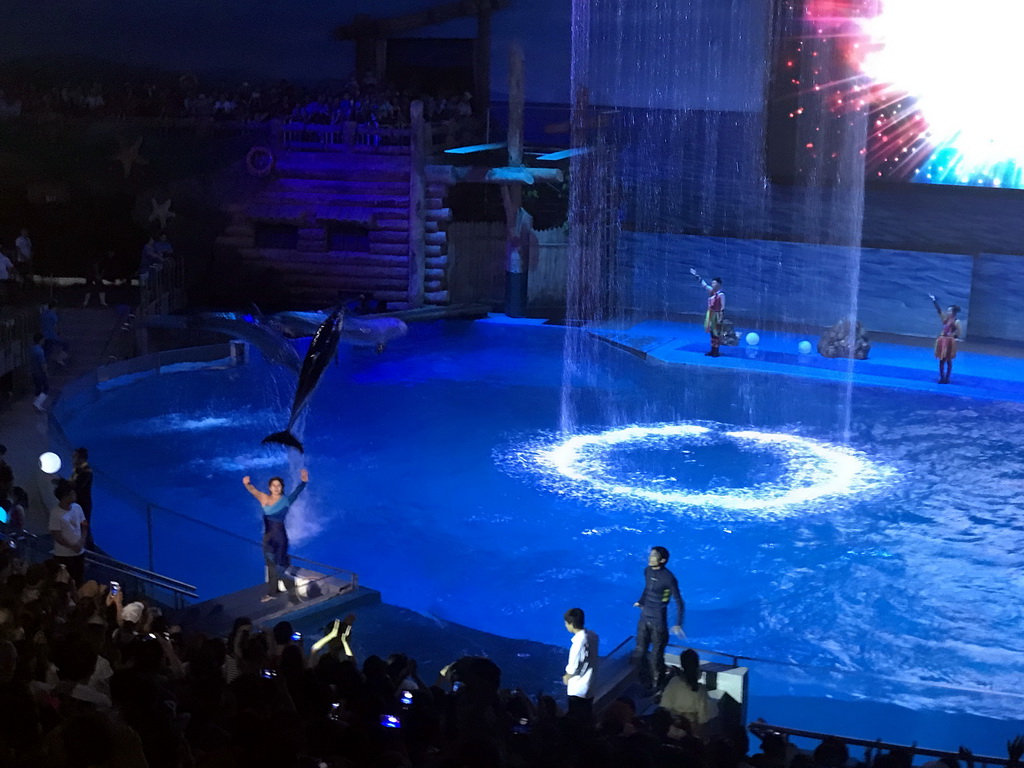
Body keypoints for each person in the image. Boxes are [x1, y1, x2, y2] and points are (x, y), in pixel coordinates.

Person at [242, 469, 308, 603]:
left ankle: (294, 595)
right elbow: (252, 490)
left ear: (282, 487)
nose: (276, 488)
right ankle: (272, 592)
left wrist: (303, 481)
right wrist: (247, 484)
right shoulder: (264, 498)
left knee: (280, 568)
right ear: (269, 487)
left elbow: (297, 492)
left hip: (281, 540)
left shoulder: (286, 500)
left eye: (279, 485)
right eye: (274, 485)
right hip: (267, 539)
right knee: (271, 567)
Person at [633, 546, 685, 691]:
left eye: (654, 556)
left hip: (658, 621)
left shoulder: (669, 578)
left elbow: (679, 601)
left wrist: (678, 624)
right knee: (640, 652)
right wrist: (641, 601)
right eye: (650, 555)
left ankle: (658, 685)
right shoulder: (647, 571)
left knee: (656, 656)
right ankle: (646, 683)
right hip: (644, 618)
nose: (650, 558)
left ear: (662, 560)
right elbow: (647, 588)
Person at [659, 648, 716, 739]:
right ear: (697, 666)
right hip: (691, 733)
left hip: (673, 730)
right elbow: (704, 719)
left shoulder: (674, 682)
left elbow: (664, 706)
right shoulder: (700, 690)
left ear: (682, 665)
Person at [562, 607, 599, 723]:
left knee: (576, 719)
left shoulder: (578, 644)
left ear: (571, 624)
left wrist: (566, 677)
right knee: (587, 715)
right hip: (590, 684)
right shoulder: (593, 636)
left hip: (578, 690)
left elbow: (572, 668)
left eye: (566, 623)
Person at [49, 478, 87, 585]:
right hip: (63, 555)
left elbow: (84, 524)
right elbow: (57, 535)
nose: (74, 494)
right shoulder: (55, 513)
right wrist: (72, 546)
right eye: (72, 493)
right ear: (65, 496)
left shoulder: (77, 507)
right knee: (64, 582)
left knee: (78, 580)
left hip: (79, 553)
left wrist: (81, 542)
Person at [690, 268, 726, 357]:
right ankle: (712, 350)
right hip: (710, 314)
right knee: (711, 333)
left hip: (717, 315)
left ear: (719, 284)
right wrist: (696, 275)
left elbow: (722, 306)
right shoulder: (711, 291)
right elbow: (703, 284)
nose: (712, 284)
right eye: (712, 283)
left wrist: (721, 317)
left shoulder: (721, 295)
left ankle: (716, 351)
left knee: (716, 333)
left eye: (714, 283)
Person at [928, 294, 962, 384]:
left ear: (953, 312)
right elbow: (939, 311)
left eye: (949, 311)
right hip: (943, 340)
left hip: (949, 341)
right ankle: (942, 377)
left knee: (948, 360)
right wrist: (934, 301)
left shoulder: (956, 321)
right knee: (942, 360)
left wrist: (953, 337)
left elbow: (958, 332)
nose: (947, 312)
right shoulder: (946, 319)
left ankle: (947, 378)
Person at [71, 447, 94, 548]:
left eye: (75, 456)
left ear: (81, 458)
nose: (73, 458)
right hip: (78, 504)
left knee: (84, 528)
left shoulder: (86, 471)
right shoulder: (77, 471)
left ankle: (88, 549)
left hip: (83, 504)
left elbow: (78, 486)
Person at [29, 332, 49, 412]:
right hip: (40, 373)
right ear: (40, 340)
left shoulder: (32, 349)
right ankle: (37, 404)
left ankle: (38, 405)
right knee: (46, 388)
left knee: (38, 389)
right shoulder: (40, 351)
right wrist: (46, 372)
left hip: (33, 372)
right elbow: (43, 363)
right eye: (43, 340)